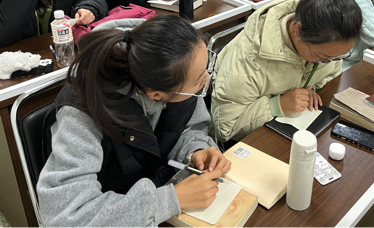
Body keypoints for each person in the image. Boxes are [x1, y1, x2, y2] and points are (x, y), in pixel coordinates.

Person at [37, 14, 231, 227]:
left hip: (155, 197)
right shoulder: (82, 114)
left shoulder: (179, 67)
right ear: (155, 95)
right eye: (199, 80)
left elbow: (184, 127)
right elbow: (66, 216)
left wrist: (195, 150)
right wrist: (168, 200)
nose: (206, 79)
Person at [212, 0, 363, 142]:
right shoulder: (248, 62)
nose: (329, 61)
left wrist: (309, 88)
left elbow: (333, 71)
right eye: (322, 57)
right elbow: (225, 128)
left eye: (338, 56)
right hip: (250, 141)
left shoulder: (327, 44)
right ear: (298, 30)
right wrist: (278, 105)